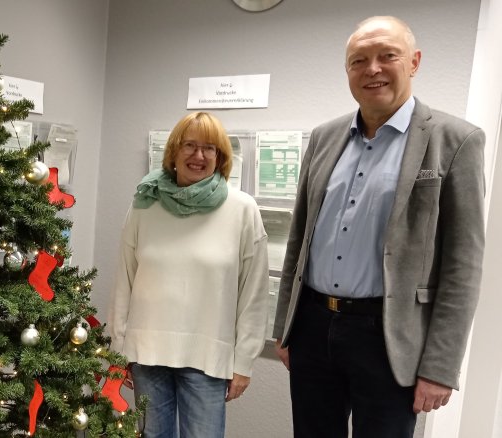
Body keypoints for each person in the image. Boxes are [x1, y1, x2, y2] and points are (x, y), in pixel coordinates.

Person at [272, 16, 485, 438]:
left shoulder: (455, 139)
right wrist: (285, 327)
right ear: (348, 70)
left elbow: (463, 265)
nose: (372, 69)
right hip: (314, 326)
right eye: (358, 60)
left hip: (389, 337)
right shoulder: (323, 137)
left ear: (414, 62)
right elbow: (299, 239)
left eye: (387, 56)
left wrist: (440, 367)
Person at [109, 112, 269, 438]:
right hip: (147, 354)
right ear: (173, 152)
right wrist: (118, 349)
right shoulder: (144, 205)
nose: (198, 156)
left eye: (209, 148)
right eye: (190, 146)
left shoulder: (242, 209)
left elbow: (254, 293)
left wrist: (244, 362)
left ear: (220, 157)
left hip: (208, 358)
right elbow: (125, 279)